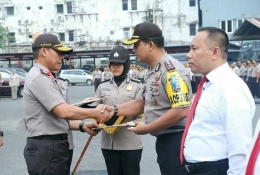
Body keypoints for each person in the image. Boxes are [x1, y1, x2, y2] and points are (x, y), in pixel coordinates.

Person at [103, 22, 192, 175]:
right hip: (166, 141)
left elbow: (181, 110)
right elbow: (141, 103)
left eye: (136, 45)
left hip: (176, 140)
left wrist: (148, 127)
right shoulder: (153, 71)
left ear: (150, 44)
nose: (133, 50)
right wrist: (114, 109)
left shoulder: (171, 70)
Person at [23, 33, 111, 175]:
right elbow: (63, 112)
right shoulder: (39, 77)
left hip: (53, 147)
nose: (62, 57)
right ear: (44, 51)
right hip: (47, 148)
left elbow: (57, 120)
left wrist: (83, 125)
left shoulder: (47, 77)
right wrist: (95, 112)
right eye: (58, 53)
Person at [181, 27, 255, 174]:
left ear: (215, 52)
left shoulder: (230, 87)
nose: (188, 55)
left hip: (215, 169)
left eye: (194, 49)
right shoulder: (208, 85)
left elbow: (240, 146)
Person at [95, 46, 143, 175]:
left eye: (119, 64)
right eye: (113, 64)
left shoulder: (137, 86)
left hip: (130, 143)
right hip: (108, 144)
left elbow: (142, 112)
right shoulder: (102, 86)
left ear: (126, 64)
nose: (115, 67)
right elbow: (95, 110)